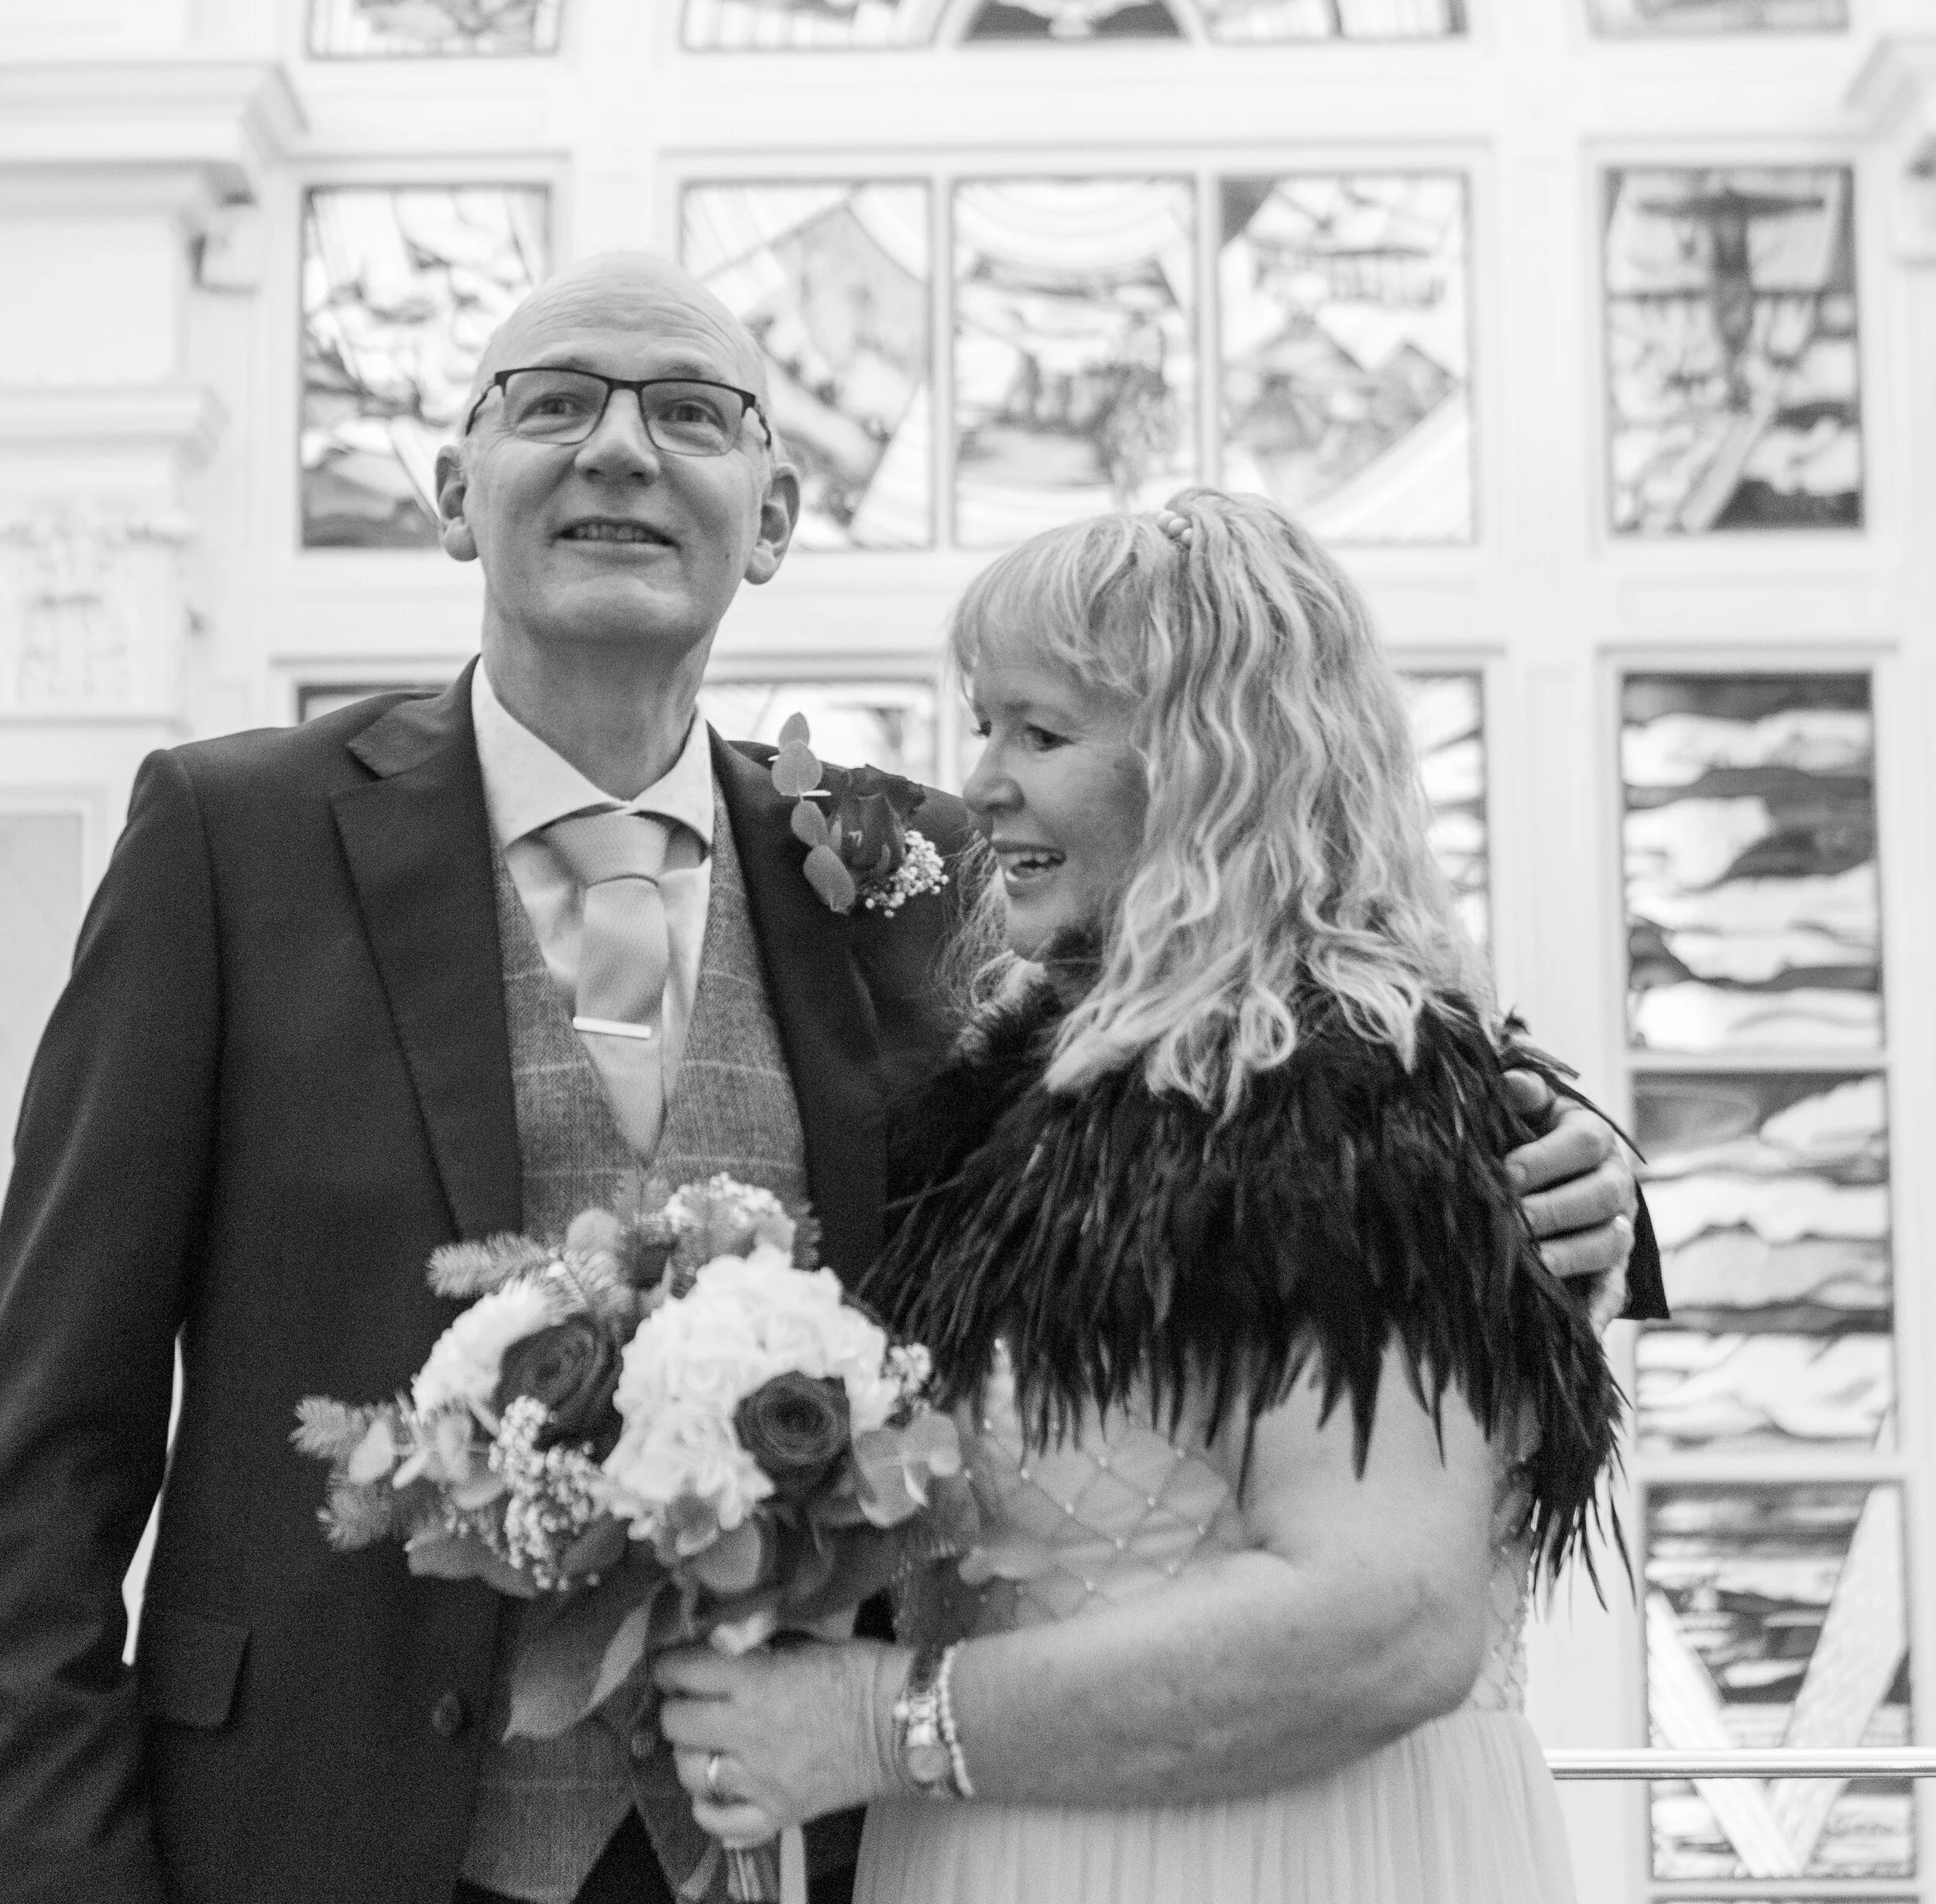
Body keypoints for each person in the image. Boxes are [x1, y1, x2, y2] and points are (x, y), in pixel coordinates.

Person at [0, 258, 1652, 1904]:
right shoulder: (232, 842)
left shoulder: (930, 868)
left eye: (691, 413)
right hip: (321, 1834)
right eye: (554, 400)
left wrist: (1572, 1164)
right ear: (453, 492)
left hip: (818, 1844)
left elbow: (1281, 1028)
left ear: (772, 515)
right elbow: (46, 1430)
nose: (620, 449)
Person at [655, 492, 1639, 1904]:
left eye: (1040, 735)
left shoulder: (1337, 1093)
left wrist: (885, 1722)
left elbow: (1385, 1619)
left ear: (1211, 773)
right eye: (983, 721)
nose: (980, 781)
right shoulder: (1031, 1101)